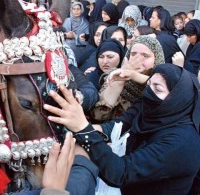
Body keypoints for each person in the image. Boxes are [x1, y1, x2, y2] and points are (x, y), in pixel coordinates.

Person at [44, 63, 200, 195]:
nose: (148, 92)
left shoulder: (182, 143)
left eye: (157, 89)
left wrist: (83, 129)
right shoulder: (154, 110)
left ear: (177, 99)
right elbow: (118, 125)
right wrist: (73, 125)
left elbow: (120, 173)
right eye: (148, 84)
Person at [90, 35, 165, 122]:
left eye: (145, 55)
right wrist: (121, 80)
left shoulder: (165, 84)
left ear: (156, 59)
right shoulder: (114, 74)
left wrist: (133, 75)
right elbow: (98, 115)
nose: (138, 59)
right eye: (133, 54)